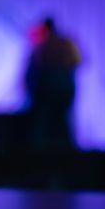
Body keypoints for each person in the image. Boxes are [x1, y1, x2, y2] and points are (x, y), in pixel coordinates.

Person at [24, 17, 82, 151]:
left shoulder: (44, 44)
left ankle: (40, 154)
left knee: (44, 122)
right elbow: (78, 60)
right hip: (64, 85)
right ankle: (66, 153)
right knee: (62, 121)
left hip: (49, 86)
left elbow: (35, 66)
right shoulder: (66, 42)